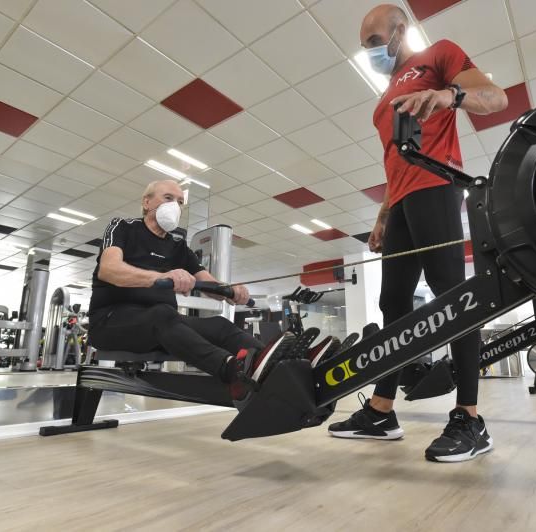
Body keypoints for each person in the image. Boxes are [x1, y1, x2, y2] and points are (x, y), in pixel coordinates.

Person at [328, 4, 509, 463]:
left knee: (454, 298)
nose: (369, 52)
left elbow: (496, 98)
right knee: (393, 304)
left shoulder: (439, 55)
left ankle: (470, 417)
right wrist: (383, 215)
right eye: (364, 45)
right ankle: (381, 411)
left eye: (373, 43)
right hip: (402, 201)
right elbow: (393, 163)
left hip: (437, 184)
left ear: (399, 32)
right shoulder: (387, 89)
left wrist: (451, 96)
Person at [87, 179, 293, 399]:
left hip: (163, 326)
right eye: (168, 198)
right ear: (146, 202)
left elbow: (212, 286)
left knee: (220, 326)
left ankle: (285, 367)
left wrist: (232, 291)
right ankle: (232, 370)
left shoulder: (177, 246)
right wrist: (162, 277)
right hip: (111, 323)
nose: (175, 206)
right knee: (163, 314)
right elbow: (109, 270)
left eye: (180, 202)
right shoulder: (123, 227)